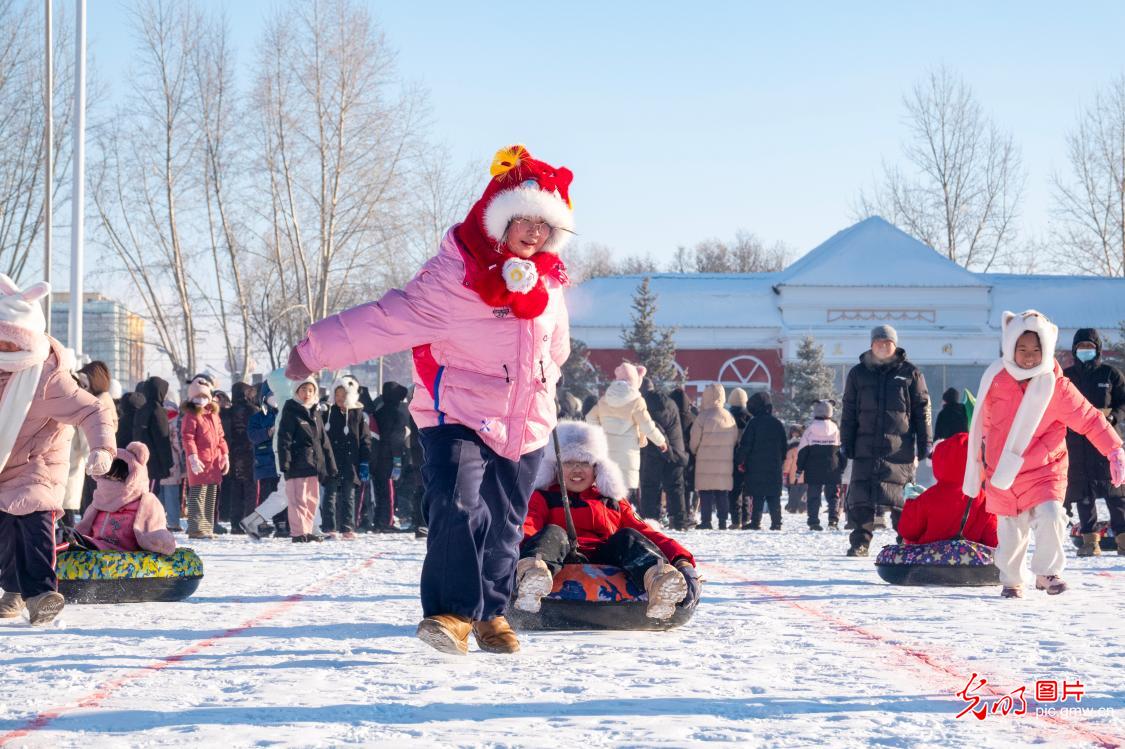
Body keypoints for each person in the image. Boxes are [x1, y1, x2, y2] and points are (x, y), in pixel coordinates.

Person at [285, 145, 574, 655]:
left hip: (524, 423)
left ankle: (491, 614)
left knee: (505, 522)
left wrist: (544, 386)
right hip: (457, 414)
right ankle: (449, 613)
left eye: (544, 224)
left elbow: (558, 348)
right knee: (458, 504)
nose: (534, 231)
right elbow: (386, 319)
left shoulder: (548, 284)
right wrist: (314, 351)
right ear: (498, 220)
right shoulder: (454, 278)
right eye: (523, 219)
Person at [963, 311, 1124, 598]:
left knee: (1051, 514)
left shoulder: (1057, 386)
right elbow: (984, 423)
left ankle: (1047, 572)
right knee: (1011, 532)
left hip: (1045, 468)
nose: (1028, 356)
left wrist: (1114, 449)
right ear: (1010, 347)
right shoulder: (996, 380)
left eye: (1036, 350)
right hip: (1004, 470)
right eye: (1022, 349)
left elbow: (1089, 419)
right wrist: (980, 456)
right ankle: (1012, 580)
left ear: (1046, 350)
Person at [0, 275, 115, 626]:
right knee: (6, 533)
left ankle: (40, 595)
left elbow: (93, 410)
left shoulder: (48, 378)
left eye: (10, 343)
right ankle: (14, 592)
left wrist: (102, 449)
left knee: (33, 524)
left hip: (40, 466)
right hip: (6, 466)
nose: (4, 350)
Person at [515, 421, 701, 620]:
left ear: (597, 468)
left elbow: (645, 532)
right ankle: (533, 577)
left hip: (609, 558)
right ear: (556, 468)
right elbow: (528, 526)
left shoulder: (612, 501)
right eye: (569, 463)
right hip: (560, 558)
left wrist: (681, 560)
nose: (577, 469)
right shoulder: (543, 497)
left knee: (627, 536)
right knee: (553, 532)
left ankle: (658, 581)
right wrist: (511, 554)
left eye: (585, 462)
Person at [841, 325, 931, 556]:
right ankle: (860, 542)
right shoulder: (858, 373)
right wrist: (846, 441)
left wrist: (925, 443)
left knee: (901, 497)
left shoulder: (910, 373)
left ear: (895, 345)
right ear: (871, 345)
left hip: (899, 447)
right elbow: (849, 410)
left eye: (887, 342)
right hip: (865, 444)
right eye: (878, 341)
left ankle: (905, 539)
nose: (882, 345)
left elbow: (922, 410)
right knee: (861, 495)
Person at [1062, 328, 1125, 556]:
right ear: (1074, 349)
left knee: (1116, 493)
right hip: (1076, 443)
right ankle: (1090, 542)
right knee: (1083, 493)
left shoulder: (1110, 375)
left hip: (1106, 440)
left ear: (1097, 349)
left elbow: (1122, 402)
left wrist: (1114, 417)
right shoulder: (1066, 376)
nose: (1085, 351)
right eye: (1081, 347)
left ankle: (1123, 539)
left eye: (1089, 347)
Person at [73, 442, 176, 556]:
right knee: (63, 535)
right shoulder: (99, 502)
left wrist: (159, 540)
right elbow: (84, 527)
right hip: (93, 545)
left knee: (70, 539)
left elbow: (153, 530)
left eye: (117, 479)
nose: (111, 483)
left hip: (118, 552)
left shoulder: (144, 503)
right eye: (107, 477)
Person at [586, 363, 668, 503]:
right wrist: (660, 441)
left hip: (607, 450)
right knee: (625, 495)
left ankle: (608, 521)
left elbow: (590, 417)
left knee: (607, 490)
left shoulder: (605, 398)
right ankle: (622, 520)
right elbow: (646, 425)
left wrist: (600, 432)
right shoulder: (636, 401)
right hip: (628, 453)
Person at [899, 432, 996, 547]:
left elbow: (908, 531)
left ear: (940, 462)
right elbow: (993, 540)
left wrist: (911, 502)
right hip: (969, 563)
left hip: (929, 562)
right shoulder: (984, 500)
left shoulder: (929, 497)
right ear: (975, 466)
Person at [277, 375, 335, 543]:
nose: (307, 393)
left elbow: (323, 441)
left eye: (310, 390)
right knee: (297, 499)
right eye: (303, 389)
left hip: (314, 464)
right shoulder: (291, 411)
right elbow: (284, 439)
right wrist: (285, 461)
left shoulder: (315, 412)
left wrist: (330, 465)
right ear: (296, 391)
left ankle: (307, 530)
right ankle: (298, 533)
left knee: (311, 500)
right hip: (296, 464)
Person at [181, 374, 229, 539]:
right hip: (199, 462)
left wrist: (225, 454)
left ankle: (207, 527)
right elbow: (188, 438)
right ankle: (195, 528)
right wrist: (192, 456)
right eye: (197, 396)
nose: (200, 400)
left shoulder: (213, 415)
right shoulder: (191, 416)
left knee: (210, 494)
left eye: (203, 396)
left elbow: (221, 437)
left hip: (213, 462)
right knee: (197, 495)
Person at [323, 376, 371, 539]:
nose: (340, 398)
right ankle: (330, 526)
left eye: (344, 395)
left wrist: (364, 461)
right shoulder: (327, 413)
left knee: (348, 495)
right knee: (330, 494)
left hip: (351, 462)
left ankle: (347, 527)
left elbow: (365, 439)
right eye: (337, 395)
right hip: (331, 461)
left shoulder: (358, 415)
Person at [639, 377, 690, 528]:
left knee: (649, 486)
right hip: (676, 449)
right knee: (675, 487)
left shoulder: (646, 404)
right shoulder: (668, 401)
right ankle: (679, 521)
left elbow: (655, 428)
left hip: (656, 450)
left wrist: (665, 447)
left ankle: (650, 521)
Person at [689, 383, 738, 529]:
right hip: (725, 461)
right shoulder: (729, 416)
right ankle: (723, 521)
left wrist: (695, 451)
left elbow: (694, 440)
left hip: (705, 461)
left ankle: (706, 521)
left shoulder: (702, 417)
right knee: (722, 492)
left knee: (706, 493)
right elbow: (735, 438)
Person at [735, 392, 788, 530]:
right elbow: (784, 446)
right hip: (773, 465)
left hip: (755, 465)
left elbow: (745, 445)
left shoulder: (753, 424)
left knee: (757, 495)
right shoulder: (777, 424)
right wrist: (781, 460)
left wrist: (740, 460)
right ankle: (776, 522)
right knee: (773, 495)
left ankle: (755, 521)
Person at [797, 399, 847, 531]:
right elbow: (842, 451)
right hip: (832, 467)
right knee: (833, 496)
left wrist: (799, 468)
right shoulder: (836, 430)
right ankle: (833, 520)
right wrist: (842, 467)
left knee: (813, 495)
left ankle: (813, 521)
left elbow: (802, 451)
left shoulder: (809, 430)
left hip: (813, 469)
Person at [369, 381, 409, 532]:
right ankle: (388, 522)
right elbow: (396, 439)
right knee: (389, 492)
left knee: (380, 491)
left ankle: (379, 521)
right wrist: (398, 460)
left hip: (377, 458)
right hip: (390, 458)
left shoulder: (378, 412)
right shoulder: (398, 414)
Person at [223, 383, 259, 535]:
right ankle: (249, 522)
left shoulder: (227, 412)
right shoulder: (253, 410)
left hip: (233, 453)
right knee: (250, 489)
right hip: (250, 453)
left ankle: (235, 524)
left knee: (235, 489)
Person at [726, 387, 751, 527]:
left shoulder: (728, 416)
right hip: (747, 457)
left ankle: (736, 520)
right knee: (745, 489)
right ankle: (746, 517)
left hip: (731, 455)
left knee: (734, 490)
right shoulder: (749, 416)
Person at [783, 425, 806, 513]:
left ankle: (792, 507)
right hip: (804, 474)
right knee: (802, 492)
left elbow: (788, 462)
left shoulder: (791, 447)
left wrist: (785, 472)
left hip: (794, 474)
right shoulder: (806, 445)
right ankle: (802, 507)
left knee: (794, 492)